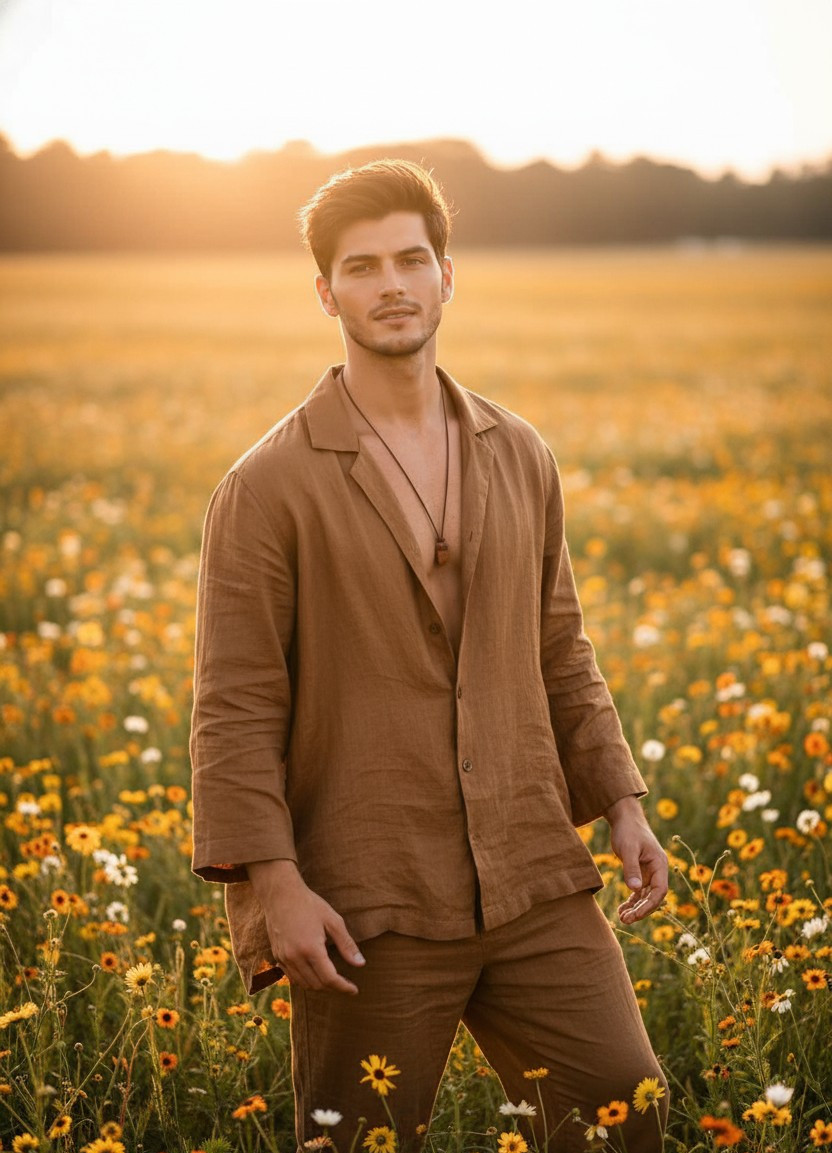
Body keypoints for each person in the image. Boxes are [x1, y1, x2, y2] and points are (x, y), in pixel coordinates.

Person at [190, 159, 669, 1152]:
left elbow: (559, 644)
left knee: (628, 1109)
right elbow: (233, 706)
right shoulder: (266, 486)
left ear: (449, 274)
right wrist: (274, 886)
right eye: (362, 267)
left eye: (412, 259)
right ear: (325, 293)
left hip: (531, 867)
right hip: (371, 895)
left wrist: (618, 800)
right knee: (354, 1142)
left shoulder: (518, 450)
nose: (392, 284)